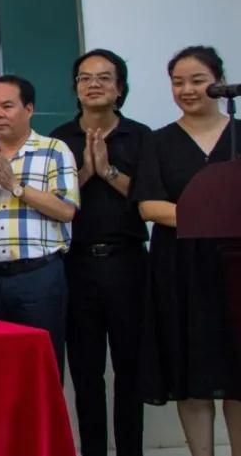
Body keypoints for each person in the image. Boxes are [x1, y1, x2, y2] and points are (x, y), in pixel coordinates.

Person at [133, 45, 241, 456]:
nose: (187, 90)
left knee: (237, 373)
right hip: (180, 268)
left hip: (235, 267)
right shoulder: (158, 141)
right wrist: (213, 214)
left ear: (219, 82)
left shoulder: (239, 133)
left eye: (197, 80)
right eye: (178, 82)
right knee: (190, 370)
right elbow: (149, 206)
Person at [49, 49, 150, 456]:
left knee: (130, 369)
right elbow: (52, 201)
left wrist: (108, 171)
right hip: (75, 263)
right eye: (85, 78)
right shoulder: (58, 139)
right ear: (75, 88)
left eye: (104, 78)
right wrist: (87, 172)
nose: (93, 84)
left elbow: (149, 198)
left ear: (119, 88)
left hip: (128, 262)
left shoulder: (141, 137)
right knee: (86, 371)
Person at [0, 74, 79, 376]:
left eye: (7, 106)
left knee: (42, 367)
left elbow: (66, 210)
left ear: (29, 109)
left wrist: (15, 185)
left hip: (39, 276)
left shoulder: (54, 150)